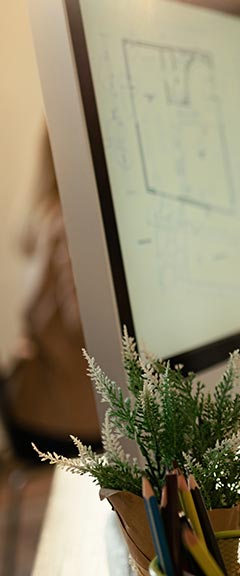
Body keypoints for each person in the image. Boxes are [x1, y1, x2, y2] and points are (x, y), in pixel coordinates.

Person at [1, 127, 100, 458]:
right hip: (70, 422)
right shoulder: (70, 222)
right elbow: (89, 326)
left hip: (38, 406)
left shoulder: (46, 214)